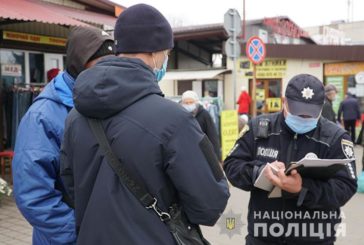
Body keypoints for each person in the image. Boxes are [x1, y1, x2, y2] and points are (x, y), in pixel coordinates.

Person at [60, 4, 229, 245]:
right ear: (155, 52)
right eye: (167, 52)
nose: (165, 58)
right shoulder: (175, 120)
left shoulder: (75, 116)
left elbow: (71, 186)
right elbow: (209, 205)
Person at [224, 74, 357, 245]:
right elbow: (232, 165)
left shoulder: (336, 137)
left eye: (310, 114)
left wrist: (303, 189)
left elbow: (346, 186)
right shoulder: (258, 128)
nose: (303, 118)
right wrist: (259, 173)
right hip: (263, 237)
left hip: (314, 239)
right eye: (297, 111)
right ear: (283, 102)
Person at [12, 26, 115, 245]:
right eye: (100, 64)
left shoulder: (106, 102)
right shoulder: (43, 116)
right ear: (79, 63)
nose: (108, 72)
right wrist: (77, 234)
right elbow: (34, 194)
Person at [181, 90, 221, 160]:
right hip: (186, 153)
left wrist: (217, 157)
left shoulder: (204, 115)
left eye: (191, 102)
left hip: (202, 153)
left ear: (196, 102)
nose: (188, 104)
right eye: (186, 103)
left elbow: (212, 136)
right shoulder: (180, 115)